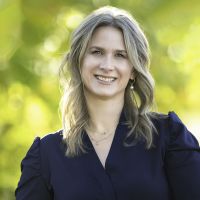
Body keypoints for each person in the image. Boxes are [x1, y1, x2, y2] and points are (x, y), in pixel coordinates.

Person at [15, 6, 200, 200]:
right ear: (79, 61)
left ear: (134, 70)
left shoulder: (168, 136)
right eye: (97, 52)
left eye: (120, 55)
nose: (107, 66)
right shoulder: (45, 155)